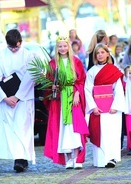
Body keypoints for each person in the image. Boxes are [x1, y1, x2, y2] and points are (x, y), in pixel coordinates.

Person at [0, 29, 36, 172]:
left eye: (16, 47)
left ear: (20, 43)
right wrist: (5, 97)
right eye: (11, 47)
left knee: (23, 127)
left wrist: (17, 96)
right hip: (7, 97)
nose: (14, 50)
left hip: (24, 96)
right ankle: (18, 157)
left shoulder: (28, 55)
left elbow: (30, 77)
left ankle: (22, 159)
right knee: (11, 128)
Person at [43, 36, 89, 169]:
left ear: (68, 47)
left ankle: (77, 158)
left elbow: (81, 80)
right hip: (59, 101)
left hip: (73, 98)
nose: (62, 49)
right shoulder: (52, 64)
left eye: (65, 46)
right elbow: (49, 82)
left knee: (75, 128)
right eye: (60, 46)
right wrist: (51, 87)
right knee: (63, 128)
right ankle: (68, 158)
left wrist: (77, 93)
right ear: (56, 48)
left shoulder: (76, 62)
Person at [85, 43, 125, 168]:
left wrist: (116, 106)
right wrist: (93, 107)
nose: (100, 55)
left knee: (112, 132)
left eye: (102, 52)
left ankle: (112, 158)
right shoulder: (91, 71)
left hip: (111, 108)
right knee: (100, 132)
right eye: (98, 53)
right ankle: (101, 160)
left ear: (107, 54)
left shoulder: (113, 70)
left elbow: (118, 89)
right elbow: (87, 90)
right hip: (98, 108)